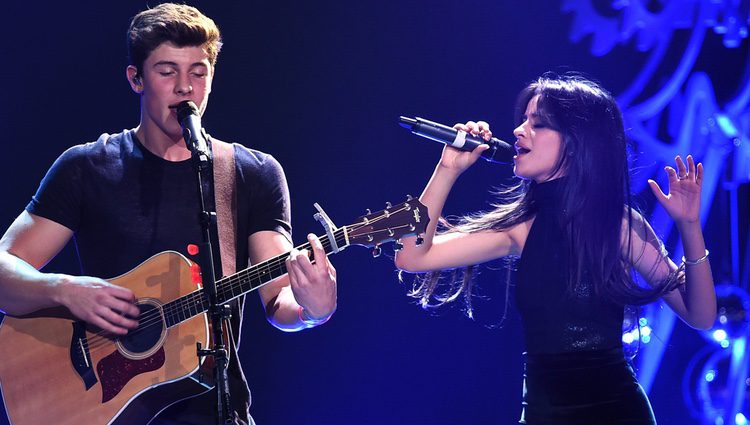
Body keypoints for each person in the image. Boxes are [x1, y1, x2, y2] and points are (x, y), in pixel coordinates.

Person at [0, 3, 336, 425]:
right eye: (166, 71)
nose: (185, 89)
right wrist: (65, 290)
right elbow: (3, 270)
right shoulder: (87, 167)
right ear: (136, 79)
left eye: (198, 72)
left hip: (215, 411)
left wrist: (313, 310)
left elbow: (280, 299)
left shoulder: (252, 172)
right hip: (104, 409)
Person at [394, 75, 716, 424]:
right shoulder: (520, 227)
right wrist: (448, 169)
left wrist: (689, 226)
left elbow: (700, 315)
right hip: (543, 413)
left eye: (538, 124)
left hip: (617, 412)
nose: (518, 131)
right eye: (522, 120)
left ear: (577, 142)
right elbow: (413, 256)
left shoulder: (617, 224)